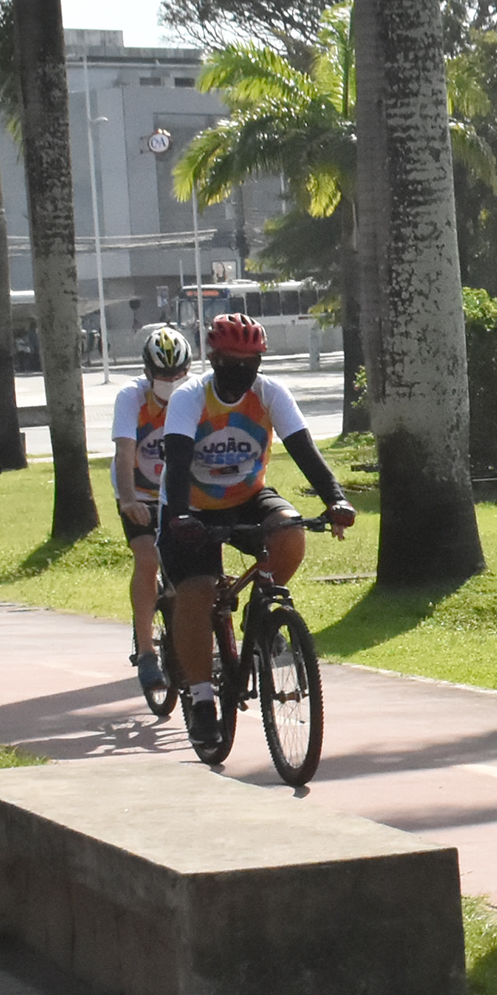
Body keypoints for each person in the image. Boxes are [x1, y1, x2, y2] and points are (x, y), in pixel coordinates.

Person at [159, 312, 354, 757]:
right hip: (190, 506)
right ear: (213, 358)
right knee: (198, 591)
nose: (241, 371)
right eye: (232, 360)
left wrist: (336, 500)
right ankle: (204, 702)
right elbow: (176, 458)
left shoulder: (269, 394)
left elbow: (304, 449)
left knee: (289, 532)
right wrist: (181, 517)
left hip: (248, 495)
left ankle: (261, 609)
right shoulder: (191, 397)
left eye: (252, 362)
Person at [111, 324, 193, 690]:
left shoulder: (195, 396)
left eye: (178, 374)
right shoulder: (132, 398)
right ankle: (146, 652)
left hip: (179, 494)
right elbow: (125, 451)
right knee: (147, 559)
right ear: (148, 373)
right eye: (163, 375)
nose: (171, 382)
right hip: (139, 492)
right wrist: (128, 500)